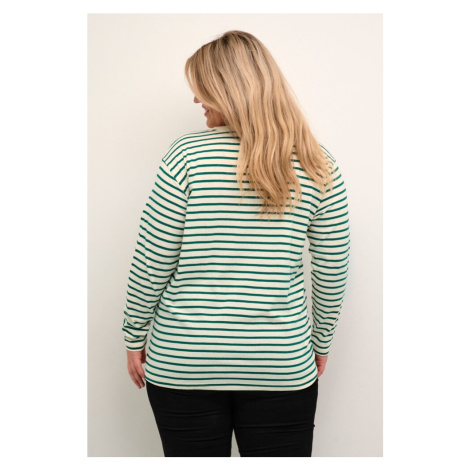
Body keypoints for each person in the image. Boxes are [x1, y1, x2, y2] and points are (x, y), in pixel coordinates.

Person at [121, 30, 350, 457]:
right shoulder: (318, 163)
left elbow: (152, 259)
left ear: (230, 88)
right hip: (280, 362)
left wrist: (134, 334)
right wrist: (319, 343)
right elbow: (332, 269)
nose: (196, 99)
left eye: (203, 88)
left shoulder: (186, 156)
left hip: (184, 361)